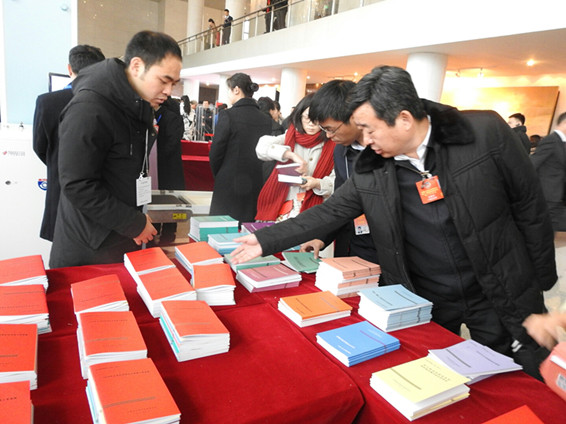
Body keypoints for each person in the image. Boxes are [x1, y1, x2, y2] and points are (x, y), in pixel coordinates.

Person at [232, 65, 557, 379]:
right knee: (441, 375)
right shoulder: (372, 166)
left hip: (495, 285)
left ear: (403, 120)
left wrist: (539, 282)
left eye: (369, 130)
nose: (364, 140)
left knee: (520, 373)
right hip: (427, 294)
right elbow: (332, 211)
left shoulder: (483, 132)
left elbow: (530, 206)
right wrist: (265, 239)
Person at [49, 30, 182, 268]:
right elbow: (77, 184)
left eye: (173, 83)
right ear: (137, 66)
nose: (168, 91)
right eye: (164, 81)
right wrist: (133, 223)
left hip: (119, 237)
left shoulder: (137, 104)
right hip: (89, 247)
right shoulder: (91, 107)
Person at [32, 44, 105, 242]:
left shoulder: (47, 102)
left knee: (61, 246)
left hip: (60, 185)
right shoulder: (107, 104)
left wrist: (59, 165)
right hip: (98, 192)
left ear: (69, 69)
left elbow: (40, 147)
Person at [304, 79, 378, 263]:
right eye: (324, 129)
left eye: (331, 129)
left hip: (382, 248)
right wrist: (322, 236)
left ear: (354, 116)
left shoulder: (384, 148)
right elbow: (340, 202)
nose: (328, 136)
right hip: (350, 242)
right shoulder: (341, 150)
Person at [255, 94, 335, 222]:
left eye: (317, 119)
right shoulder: (291, 136)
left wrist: (317, 183)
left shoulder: (332, 142)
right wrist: (290, 155)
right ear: (299, 116)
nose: (311, 124)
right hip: (286, 206)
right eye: (307, 118)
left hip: (317, 209)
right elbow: (261, 147)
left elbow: (337, 181)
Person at [209, 73, 272, 222]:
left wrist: (220, 174)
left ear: (236, 90)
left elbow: (216, 152)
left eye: (229, 90)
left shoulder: (228, 115)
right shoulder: (266, 119)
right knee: (248, 226)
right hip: (255, 181)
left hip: (228, 180)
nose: (229, 94)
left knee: (222, 225)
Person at [152, 96, 186, 244]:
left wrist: (155, 154)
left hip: (168, 166)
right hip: (156, 166)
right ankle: (155, 229)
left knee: (169, 200)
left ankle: (168, 232)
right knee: (155, 200)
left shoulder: (171, 117)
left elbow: (171, 143)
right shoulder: (151, 115)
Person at [530, 112, 566, 231]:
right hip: (548, 194)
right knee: (547, 227)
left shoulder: (561, 142)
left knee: (548, 228)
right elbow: (533, 163)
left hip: (556, 194)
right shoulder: (551, 140)